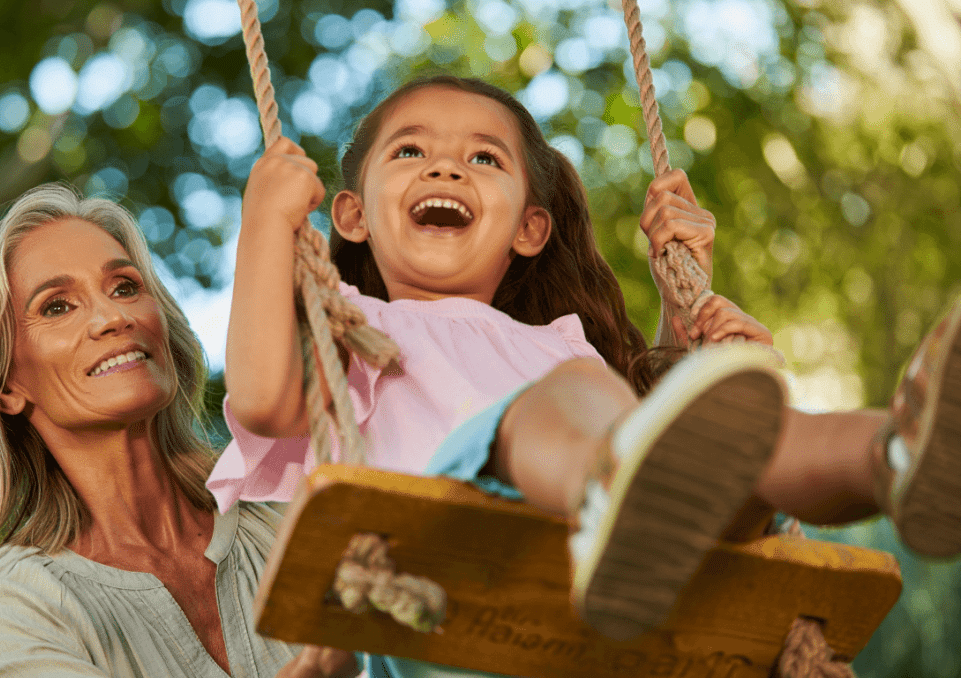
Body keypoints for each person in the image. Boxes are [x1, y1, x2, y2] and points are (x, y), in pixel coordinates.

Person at [208, 74, 961, 669]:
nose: (444, 164)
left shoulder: (561, 347)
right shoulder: (351, 328)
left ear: (532, 227)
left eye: (484, 158)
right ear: (351, 217)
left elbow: (664, 438)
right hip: (438, 608)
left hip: (613, 619)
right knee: (568, 400)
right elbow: (268, 400)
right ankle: (609, 494)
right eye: (409, 151)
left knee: (741, 445)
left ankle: (895, 455)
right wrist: (265, 222)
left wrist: (683, 327)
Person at [0, 184, 357, 678]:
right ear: (6, 386)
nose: (113, 317)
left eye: (125, 287)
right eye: (57, 306)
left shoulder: (292, 507)